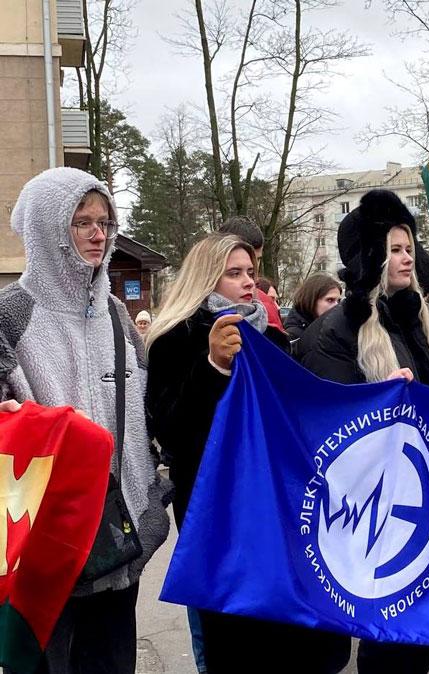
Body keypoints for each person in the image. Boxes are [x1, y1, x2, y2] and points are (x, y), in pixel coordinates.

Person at [145, 234, 349, 673]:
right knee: (237, 641)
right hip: (220, 518)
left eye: (251, 272)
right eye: (233, 273)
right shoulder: (175, 339)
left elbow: (303, 412)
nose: (248, 282)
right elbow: (173, 432)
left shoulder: (271, 338)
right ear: (206, 279)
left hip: (279, 507)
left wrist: (380, 394)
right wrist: (214, 367)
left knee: (295, 637)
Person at [0, 167, 170, 674]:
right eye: (82, 222)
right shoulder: (10, 314)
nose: (99, 234)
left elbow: (146, 412)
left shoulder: (118, 314)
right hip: (46, 548)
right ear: (47, 228)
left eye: (105, 222)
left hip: (118, 540)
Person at [298, 189, 429, 674]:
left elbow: (425, 404)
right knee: (393, 632)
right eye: (394, 249)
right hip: (369, 508)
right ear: (370, 256)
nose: (406, 258)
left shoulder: (412, 320)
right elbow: (325, 419)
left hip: (419, 493)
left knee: (426, 623)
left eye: (409, 248)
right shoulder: (334, 331)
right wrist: (378, 399)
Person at [218, 215, 285, 332]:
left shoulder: (265, 305)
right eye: (235, 272)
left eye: (257, 259)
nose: (253, 266)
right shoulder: (192, 318)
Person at [284, 273, 342, 342]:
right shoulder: (295, 337)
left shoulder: (331, 328)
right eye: (330, 300)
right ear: (312, 300)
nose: (337, 306)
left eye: (338, 301)